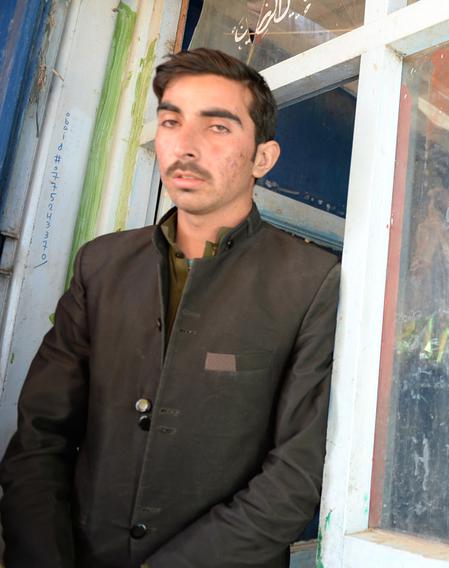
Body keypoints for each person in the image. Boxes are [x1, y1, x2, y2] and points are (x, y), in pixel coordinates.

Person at [0, 48, 340, 568]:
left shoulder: (312, 282)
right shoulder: (102, 265)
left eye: (218, 127)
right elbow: (39, 436)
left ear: (263, 158)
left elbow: (297, 476)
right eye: (171, 121)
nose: (185, 145)